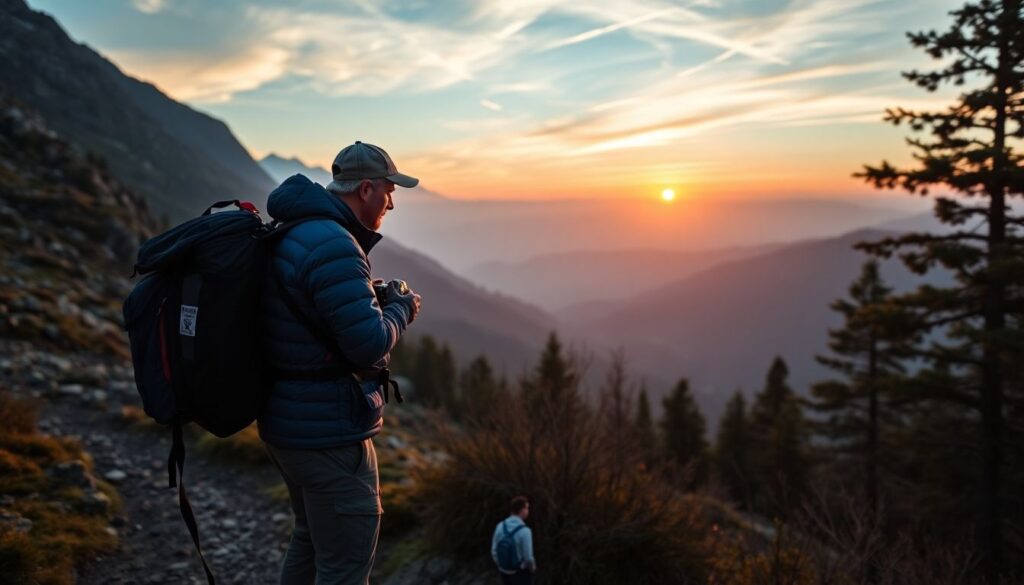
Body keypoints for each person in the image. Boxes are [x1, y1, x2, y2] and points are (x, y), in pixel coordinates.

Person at [259, 141, 422, 584]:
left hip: (288, 423)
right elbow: (368, 345)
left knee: (311, 538)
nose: (391, 201)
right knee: (345, 566)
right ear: (366, 189)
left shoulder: (299, 228)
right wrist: (400, 309)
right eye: (389, 190)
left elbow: (311, 317)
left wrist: (369, 297)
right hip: (327, 434)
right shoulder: (335, 244)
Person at [491, 496, 536, 584]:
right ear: (522, 510)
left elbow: (493, 551)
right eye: (527, 508)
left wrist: (502, 566)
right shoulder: (525, 531)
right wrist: (533, 568)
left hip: (503, 572)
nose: (528, 511)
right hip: (520, 574)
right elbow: (528, 558)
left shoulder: (500, 526)